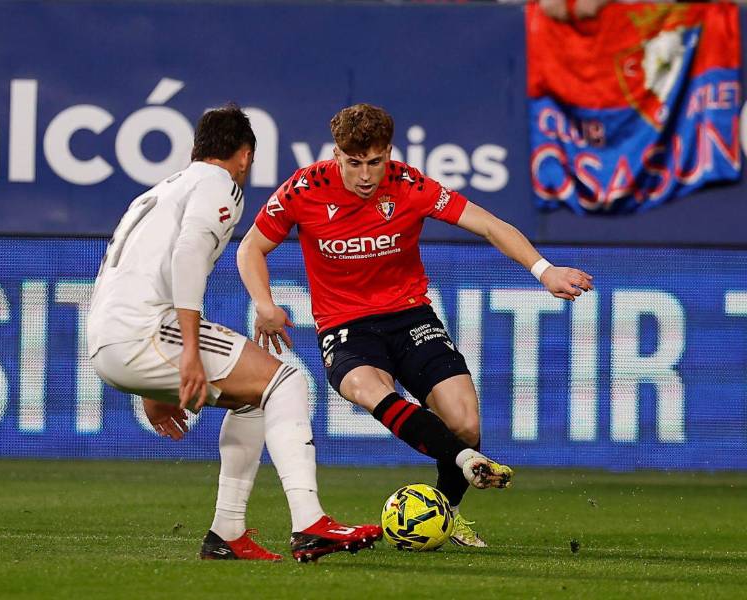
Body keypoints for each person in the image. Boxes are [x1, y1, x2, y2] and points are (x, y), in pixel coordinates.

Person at [237, 103, 593, 547]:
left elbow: (488, 225)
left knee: (464, 420)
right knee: (366, 388)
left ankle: (448, 513)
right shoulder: (305, 188)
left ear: (388, 153)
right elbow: (250, 247)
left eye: (375, 162)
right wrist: (264, 303)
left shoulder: (410, 185)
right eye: (354, 163)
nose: (366, 175)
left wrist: (544, 271)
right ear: (336, 154)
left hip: (410, 316)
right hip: (346, 324)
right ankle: (466, 461)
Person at [86, 104, 382, 563]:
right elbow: (187, 255)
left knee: (254, 395)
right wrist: (185, 351)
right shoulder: (219, 183)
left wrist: (150, 382)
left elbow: (130, 271)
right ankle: (310, 523)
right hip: (145, 331)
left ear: (195, 149)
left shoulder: (159, 191)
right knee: (286, 381)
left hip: (109, 335)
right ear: (245, 157)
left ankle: (227, 532)